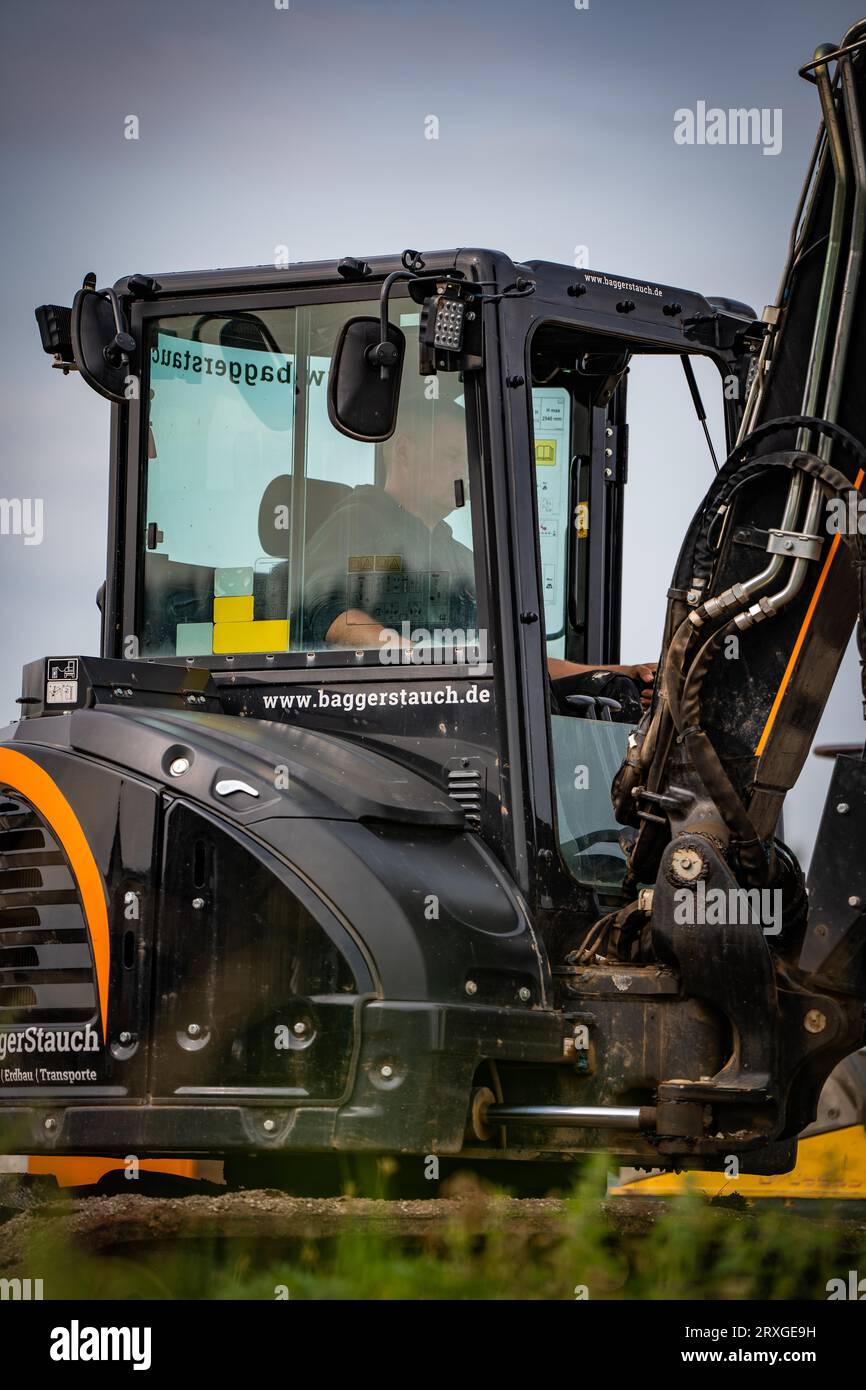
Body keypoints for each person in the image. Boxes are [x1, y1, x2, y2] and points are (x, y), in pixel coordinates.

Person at [302, 391, 656, 712]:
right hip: (373, 716)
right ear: (405, 452)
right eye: (452, 455)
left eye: (467, 458)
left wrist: (619, 672)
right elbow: (328, 615)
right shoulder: (356, 521)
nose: (465, 470)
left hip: (455, 712)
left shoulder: (456, 558)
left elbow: (517, 661)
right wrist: (417, 657)